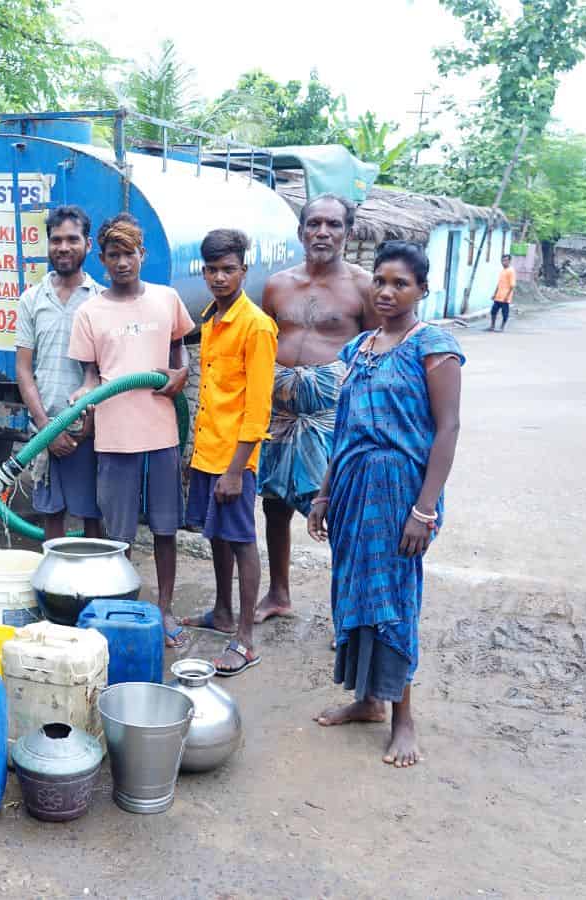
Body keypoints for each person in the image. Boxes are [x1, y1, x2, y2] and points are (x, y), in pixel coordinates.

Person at [307, 241, 464, 768]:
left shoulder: (433, 348)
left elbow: (448, 429)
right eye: (380, 281)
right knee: (352, 591)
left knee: (393, 598)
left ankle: (403, 718)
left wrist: (424, 509)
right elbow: (345, 428)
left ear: (422, 290)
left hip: (400, 492)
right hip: (352, 489)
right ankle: (367, 700)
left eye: (401, 283)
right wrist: (324, 493)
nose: (387, 291)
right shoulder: (359, 348)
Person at [68, 214, 195, 647]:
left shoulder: (166, 299)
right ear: (102, 261)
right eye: (114, 255)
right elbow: (90, 376)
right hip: (115, 434)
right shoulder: (90, 312)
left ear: (143, 254)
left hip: (161, 432)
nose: (123, 262)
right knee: (117, 533)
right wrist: (83, 395)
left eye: (129, 253)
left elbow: (180, 352)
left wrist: (182, 372)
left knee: (165, 526)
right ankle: (122, 608)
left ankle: (165, 609)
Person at [256, 194, 375, 624]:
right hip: (280, 413)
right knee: (274, 503)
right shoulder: (277, 284)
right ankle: (278, 593)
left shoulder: (363, 286)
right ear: (301, 231)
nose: (322, 232)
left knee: (339, 508)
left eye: (333, 224)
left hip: (332, 417)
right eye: (314, 224)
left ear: (348, 232)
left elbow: (376, 351)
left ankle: (347, 609)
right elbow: (265, 341)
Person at [179, 229, 277, 675]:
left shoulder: (256, 326)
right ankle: (221, 612)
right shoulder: (211, 318)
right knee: (217, 535)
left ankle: (245, 639)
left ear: (244, 270)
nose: (219, 277)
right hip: (209, 450)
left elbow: (257, 409)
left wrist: (236, 470)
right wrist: (196, 455)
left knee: (240, 540)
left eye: (228, 269)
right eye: (212, 269)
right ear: (203, 271)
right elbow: (211, 396)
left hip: (235, 458)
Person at [14, 205, 103, 541]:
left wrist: (88, 425)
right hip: (45, 426)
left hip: (89, 430)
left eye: (72, 239)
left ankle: (95, 572)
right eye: (56, 240)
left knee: (92, 514)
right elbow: (24, 370)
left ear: (88, 244)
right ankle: (54, 574)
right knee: (50, 513)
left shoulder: (100, 300)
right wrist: (46, 429)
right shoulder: (32, 299)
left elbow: (105, 371)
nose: (63, 247)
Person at [488, 254, 516, 331]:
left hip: (505, 297)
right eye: (503, 260)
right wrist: (494, 293)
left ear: (509, 261)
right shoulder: (503, 271)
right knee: (493, 311)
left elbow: (512, 285)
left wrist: (507, 296)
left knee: (505, 313)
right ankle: (492, 326)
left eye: (506, 260)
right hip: (498, 296)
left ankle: (502, 327)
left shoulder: (511, 271)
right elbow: (499, 283)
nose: (504, 262)